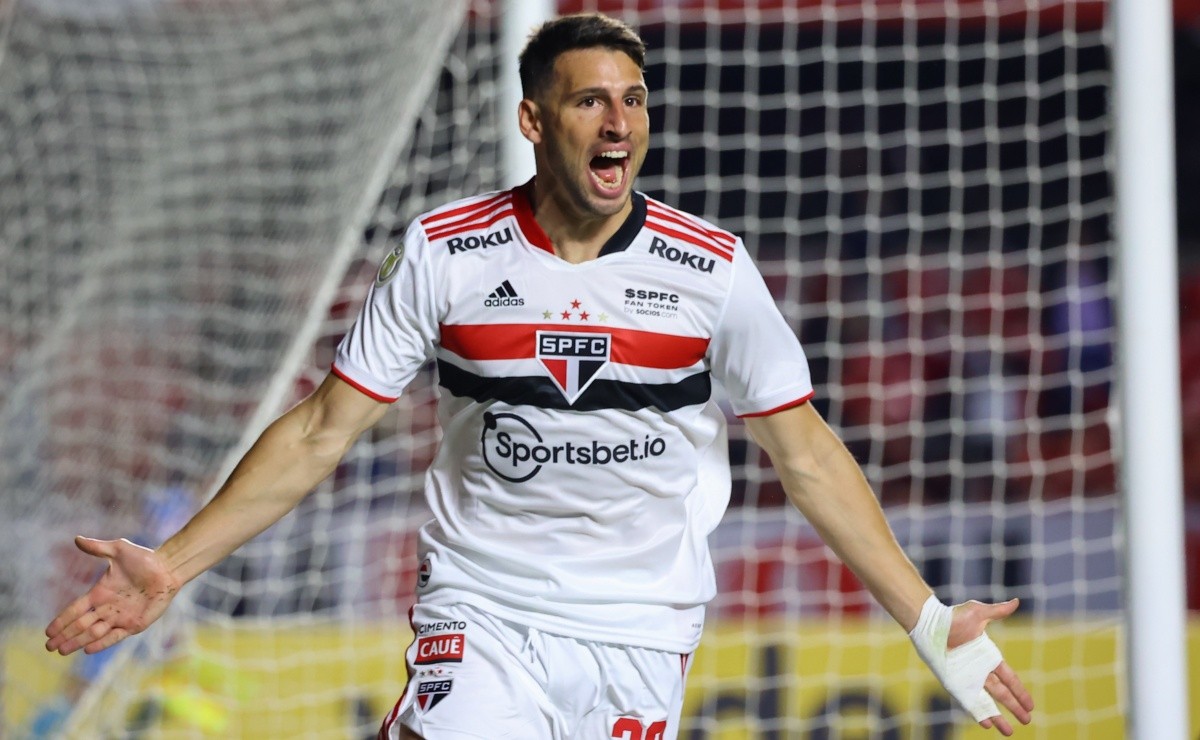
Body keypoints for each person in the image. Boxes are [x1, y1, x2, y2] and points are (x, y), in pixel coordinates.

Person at [44, 13, 1034, 740]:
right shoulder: (448, 252)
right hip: (483, 612)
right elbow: (320, 431)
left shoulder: (711, 270)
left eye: (633, 100)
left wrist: (929, 616)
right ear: (532, 116)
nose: (618, 122)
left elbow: (806, 452)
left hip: (641, 631)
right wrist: (171, 566)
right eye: (590, 99)